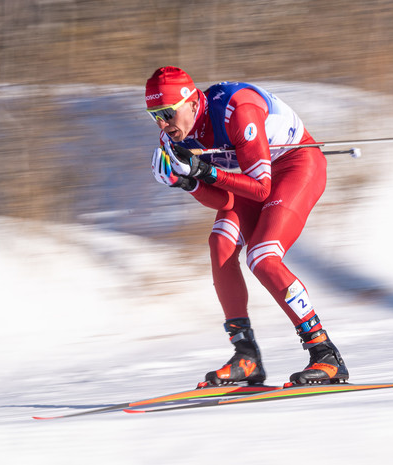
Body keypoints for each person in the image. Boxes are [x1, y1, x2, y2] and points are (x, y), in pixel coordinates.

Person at [145, 66, 348, 386]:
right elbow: (225, 201)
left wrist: (203, 171)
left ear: (191, 102)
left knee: (263, 256)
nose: (162, 123)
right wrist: (185, 182)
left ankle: (325, 354)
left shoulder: (236, 110)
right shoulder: (172, 137)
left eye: (167, 113)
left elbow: (262, 189)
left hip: (295, 166)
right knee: (221, 243)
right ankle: (246, 354)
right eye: (154, 114)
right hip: (248, 180)